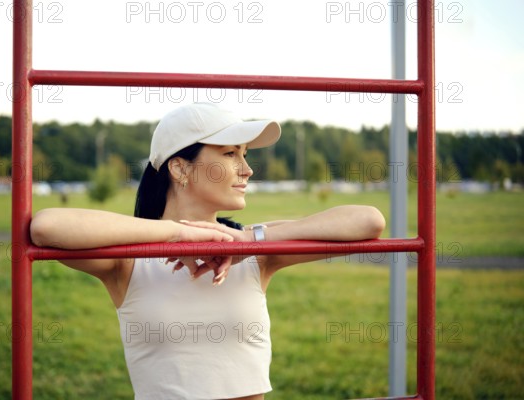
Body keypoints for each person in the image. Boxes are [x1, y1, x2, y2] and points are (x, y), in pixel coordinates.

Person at [30, 102, 386, 400]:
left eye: (244, 155)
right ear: (180, 167)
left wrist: (248, 242)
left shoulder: (252, 249)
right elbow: (47, 227)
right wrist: (176, 234)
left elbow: (368, 221)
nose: (246, 170)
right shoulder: (129, 260)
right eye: (230, 154)